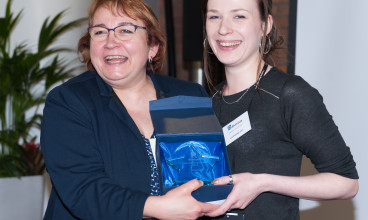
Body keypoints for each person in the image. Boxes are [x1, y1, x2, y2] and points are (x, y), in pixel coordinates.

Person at [41, 0, 218, 219]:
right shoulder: (68, 102)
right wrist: (158, 208)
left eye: (125, 30)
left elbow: (206, 176)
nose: (110, 42)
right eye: (100, 32)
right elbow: (84, 190)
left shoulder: (189, 96)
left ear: (152, 46)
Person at [201, 0, 359, 219]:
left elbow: (346, 183)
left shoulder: (289, 93)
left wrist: (262, 182)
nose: (223, 29)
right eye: (214, 16)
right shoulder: (209, 101)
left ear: (265, 25)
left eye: (239, 16)